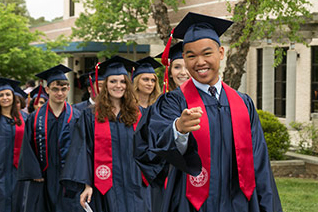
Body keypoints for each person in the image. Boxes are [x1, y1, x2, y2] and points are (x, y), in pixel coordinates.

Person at [134, 12, 282, 212]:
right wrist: (177, 130)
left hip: (238, 203)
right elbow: (148, 148)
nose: (199, 62)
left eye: (207, 53)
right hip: (190, 204)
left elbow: (260, 163)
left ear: (221, 53)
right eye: (191, 56)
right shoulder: (172, 102)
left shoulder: (243, 103)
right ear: (184, 60)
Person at [61, 56, 150, 212]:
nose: (118, 86)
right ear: (105, 85)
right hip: (104, 185)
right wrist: (87, 184)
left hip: (135, 183)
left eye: (122, 81)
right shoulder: (90, 117)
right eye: (113, 81)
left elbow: (149, 149)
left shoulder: (139, 115)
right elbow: (83, 151)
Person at [17, 64, 82, 212]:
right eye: (55, 89)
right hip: (43, 177)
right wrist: (35, 172)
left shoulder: (77, 117)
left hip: (70, 178)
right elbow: (27, 147)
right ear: (47, 90)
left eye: (63, 89)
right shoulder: (35, 118)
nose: (60, 93)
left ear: (68, 89)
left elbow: (83, 148)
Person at [0, 78, 28, 212]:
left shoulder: (24, 119)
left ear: (13, 96)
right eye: (1, 95)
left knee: (20, 201)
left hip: (19, 170)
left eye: (8, 94)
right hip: (2, 169)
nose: (5, 98)